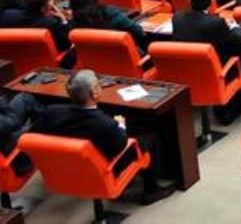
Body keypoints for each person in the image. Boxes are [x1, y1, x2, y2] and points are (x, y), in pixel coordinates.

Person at [33, 69, 176, 204]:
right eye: (98, 84)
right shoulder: (105, 124)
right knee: (147, 137)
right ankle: (152, 190)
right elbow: (121, 145)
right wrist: (121, 125)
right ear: (94, 93)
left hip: (68, 168)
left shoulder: (51, 112)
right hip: (104, 167)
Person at [171, 0, 241, 65]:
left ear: (189, 0)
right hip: (215, 65)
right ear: (211, 2)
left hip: (186, 65)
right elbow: (236, 40)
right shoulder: (216, 22)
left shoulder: (177, 17)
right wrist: (234, 26)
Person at [69, 0, 149, 51]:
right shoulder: (110, 13)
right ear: (96, 0)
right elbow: (138, 31)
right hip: (123, 57)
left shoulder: (74, 25)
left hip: (95, 61)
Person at [0, 0, 71, 52]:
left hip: (14, 56)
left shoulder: (7, 14)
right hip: (45, 58)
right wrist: (63, 20)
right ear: (44, 6)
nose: (52, 1)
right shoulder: (51, 23)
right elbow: (65, 46)